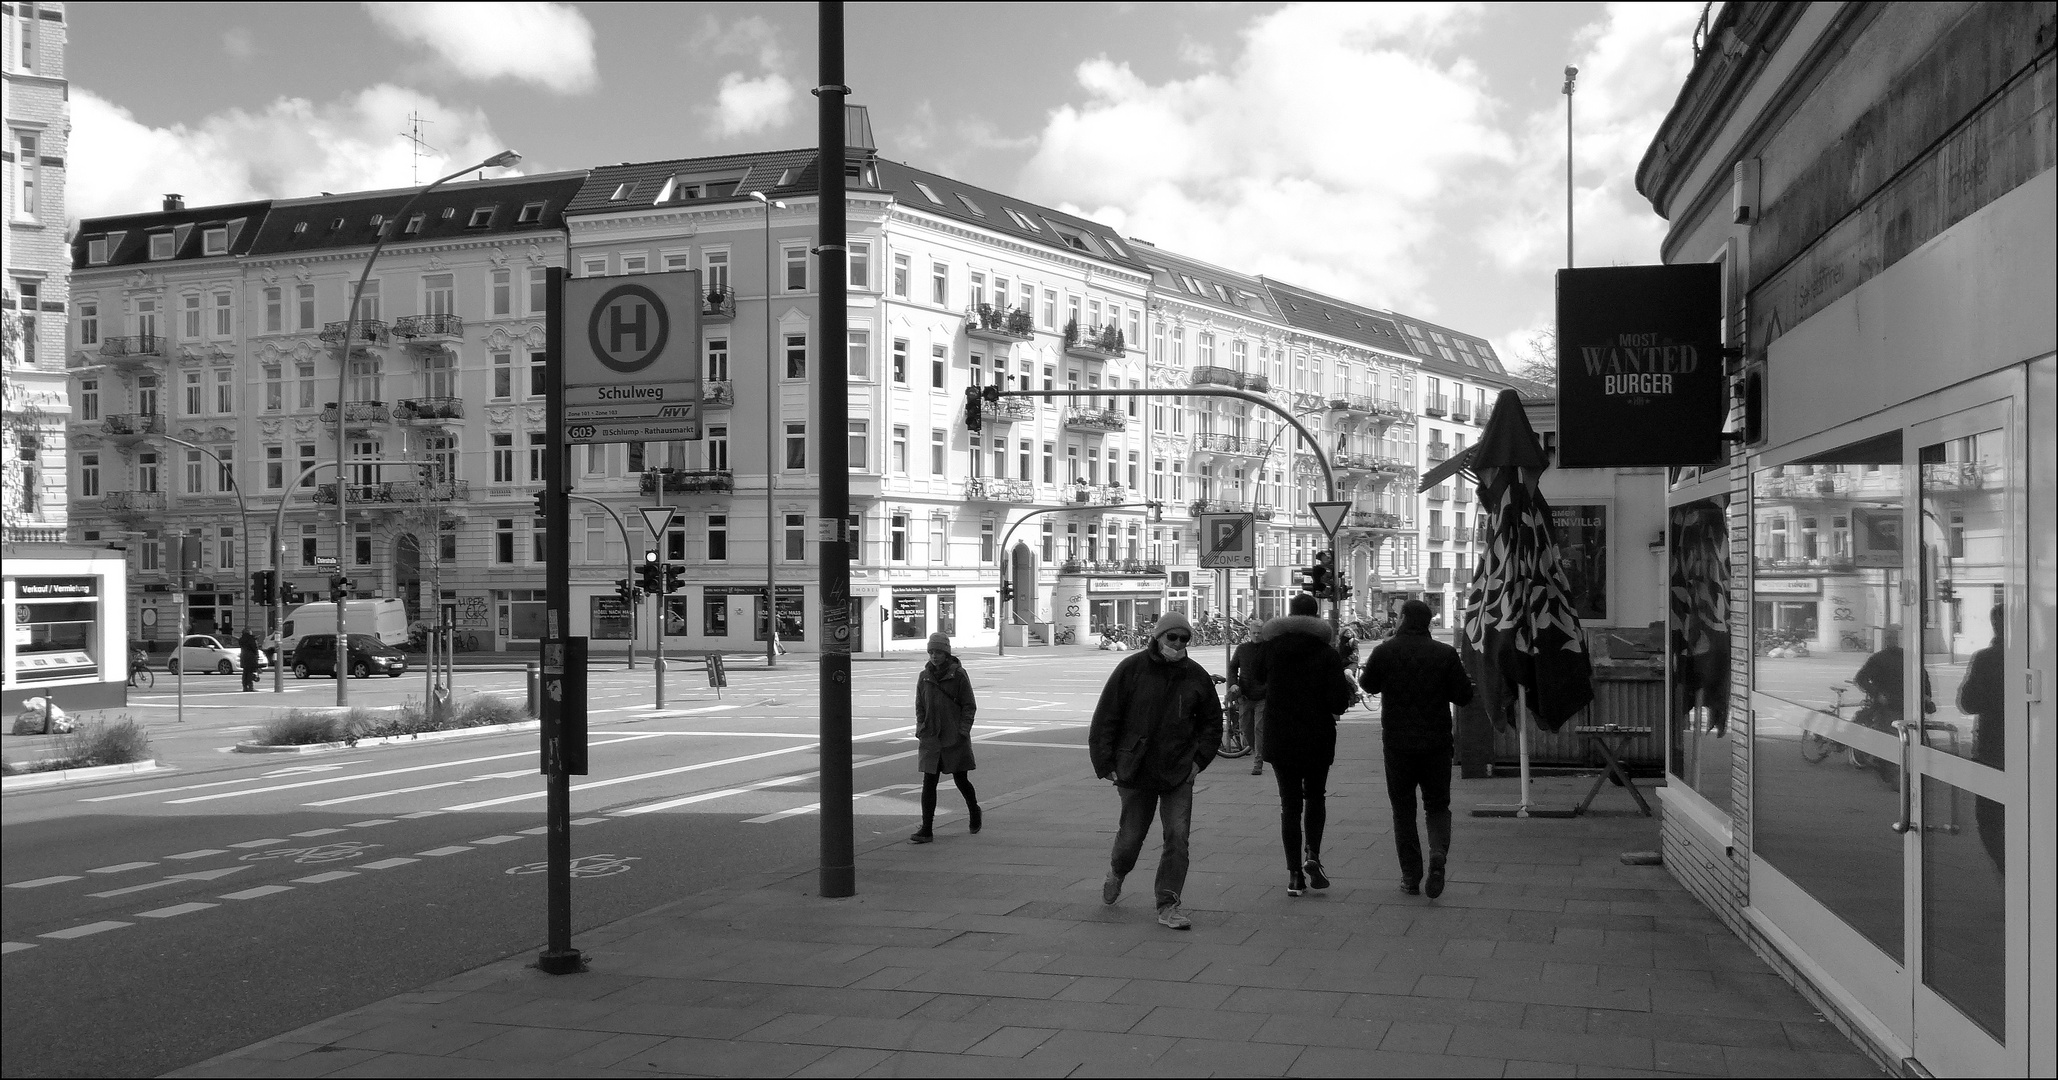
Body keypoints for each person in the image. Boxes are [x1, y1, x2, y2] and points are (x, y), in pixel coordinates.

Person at [1088, 610, 1223, 930]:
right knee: (1132, 836)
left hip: (1178, 770)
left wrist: (1197, 763)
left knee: (1178, 837)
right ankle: (1117, 871)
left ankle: (1168, 903)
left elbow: (1212, 724)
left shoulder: (1195, 675)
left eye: (1184, 638)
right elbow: (1106, 716)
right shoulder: (1132, 669)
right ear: (1158, 636)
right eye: (1172, 637)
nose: (1177, 643)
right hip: (1135, 768)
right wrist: (1105, 763)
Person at [1359, 599, 1473, 898]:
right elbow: (1462, 696)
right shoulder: (1445, 653)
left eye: (1397, 616)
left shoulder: (1385, 651)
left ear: (1405, 618)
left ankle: (1411, 876)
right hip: (1436, 742)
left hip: (1398, 743)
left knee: (1403, 810)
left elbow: (1368, 685)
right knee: (1437, 805)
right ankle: (1438, 854)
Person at [1252, 593, 1357, 896]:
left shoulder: (1273, 648)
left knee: (1289, 805)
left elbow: (1256, 676)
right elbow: (1338, 700)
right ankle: (1313, 853)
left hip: (1281, 736)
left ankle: (1294, 875)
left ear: (1290, 615)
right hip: (1316, 736)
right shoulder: (1326, 653)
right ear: (1316, 616)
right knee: (1315, 796)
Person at [910, 633, 980, 844]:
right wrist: (921, 727)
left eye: (938, 652)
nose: (934, 656)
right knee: (929, 782)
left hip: (953, 738)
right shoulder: (924, 676)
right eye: (931, 652)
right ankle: (927, 828)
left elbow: (969, 705)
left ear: (946, 653)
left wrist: (962, 731)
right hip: (931, 737)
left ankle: (974, 810)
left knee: (961, 779)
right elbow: (920, 705)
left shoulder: (958, 675)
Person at [1226, 634, 1266, 775]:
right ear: (1250, 632)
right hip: (1245, 695)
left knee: (1258, 728)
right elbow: (1232, 668)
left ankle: (1258, 762)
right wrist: (1233, 684)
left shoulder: (1268, 649)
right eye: (1254, 632)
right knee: (1245, 727)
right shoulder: (1242, 649)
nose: (1256, 635)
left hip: (1263, 696)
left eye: (1259, 632)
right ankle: (1257, 751)